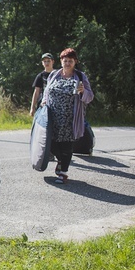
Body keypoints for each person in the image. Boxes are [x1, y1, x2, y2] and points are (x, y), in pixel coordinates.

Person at [42, 48, 94, 184]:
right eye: (65, 61)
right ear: (61, 61)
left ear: (75, 62)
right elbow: (47, 92)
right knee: (50, 143)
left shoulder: (81, 77)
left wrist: (83, 92)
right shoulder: (54, 75)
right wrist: (43, 102)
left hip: (70, 120)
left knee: (66, 146)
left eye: (70, 61)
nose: (67, 63)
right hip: (52, 118)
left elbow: (90, 97)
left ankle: (63, 173)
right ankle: (62, 160)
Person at [30, 52, 55, 117]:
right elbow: (36, 92)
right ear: (42, 63)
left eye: (48, 61)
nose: (47, 63)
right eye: (45, 61)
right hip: (43, 104)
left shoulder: (58, 74)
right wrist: (32, 108)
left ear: (53, 62)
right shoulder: (40, 76)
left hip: (55, 104)